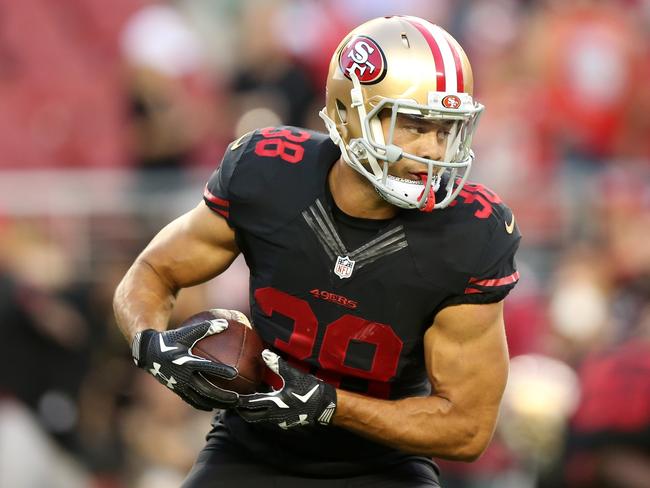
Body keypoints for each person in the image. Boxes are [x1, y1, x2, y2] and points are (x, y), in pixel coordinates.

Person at [114, 16, 521, 488]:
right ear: (349, 112)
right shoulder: (270, 174)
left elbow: (467, 429)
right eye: (415, 124)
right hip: (252, 449)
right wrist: (149, 342)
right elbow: (152, 271)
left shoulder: (469, 234)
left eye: (447, 128)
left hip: (382, 466)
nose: (434, 149)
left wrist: (329, 405)